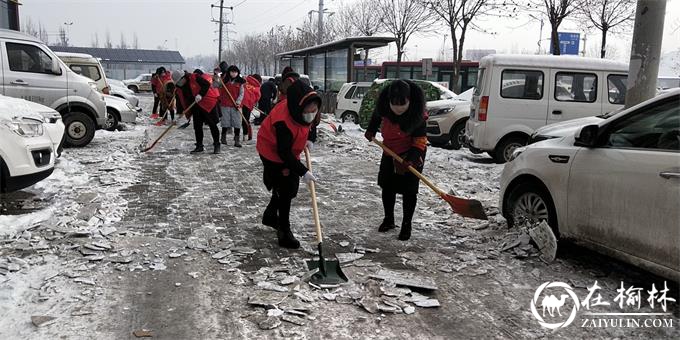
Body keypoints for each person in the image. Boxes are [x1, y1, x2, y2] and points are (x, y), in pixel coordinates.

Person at [256, 79, 321, 249]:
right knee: (286, 189)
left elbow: (310, 124)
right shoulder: (283, 121)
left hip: (289, 150)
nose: (312, 114)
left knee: (288, 188)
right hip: (272, 151)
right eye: (309, 111)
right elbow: (283, 153)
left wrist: (309, 139)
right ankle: (284, 232)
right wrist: (303, 171)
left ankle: (270, 215)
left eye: (315, 110)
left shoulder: (302, 109)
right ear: (298, 108)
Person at [364, 80, 427, 241]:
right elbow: (377, 115)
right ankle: (389, 219)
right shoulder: (384, 105)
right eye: (395, 103)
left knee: (409, 190)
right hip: (389, 150)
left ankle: (407, 225)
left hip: (412, 151)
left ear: (409, 101)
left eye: (402, 103)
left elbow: (420, 141)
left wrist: (411, 159)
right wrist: (371, 129)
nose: (398, 107)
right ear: (389, 101)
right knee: (387, 185)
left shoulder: (417, 113)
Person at [176, 69, 221, 154]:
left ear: (184, 77)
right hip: (195, 105)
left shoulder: (195, 77)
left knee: (212, 124)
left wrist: (200, 94)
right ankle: (199, 146)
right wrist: (181, 111)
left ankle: (217, 145)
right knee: (197, 126)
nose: (179, 83)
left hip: (207, 102)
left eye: (180, 80)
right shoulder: (181, 85)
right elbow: (182, 98)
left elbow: (206, 84)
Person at [219, 65, 246, 147]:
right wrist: (217, 79)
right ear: (229, 72)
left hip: (236, 105)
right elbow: (216, 86)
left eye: (235, 72)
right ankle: (223, 138)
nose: (234, 74)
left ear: (238, 73)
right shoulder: (224, 81)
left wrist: (238, 102)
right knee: (225, 122)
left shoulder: (240, 82)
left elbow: (241, 93)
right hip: (225, 104)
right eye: (232, 72)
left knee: (237, 122)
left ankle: (236, 140)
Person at [240, 74, 262, 140]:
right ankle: (246, 135)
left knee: (241, 119)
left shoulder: (245, 82)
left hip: (240, 102)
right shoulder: (257, 87)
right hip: (248, 104)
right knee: (246, 119)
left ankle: (241, 135)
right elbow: (258, 97)